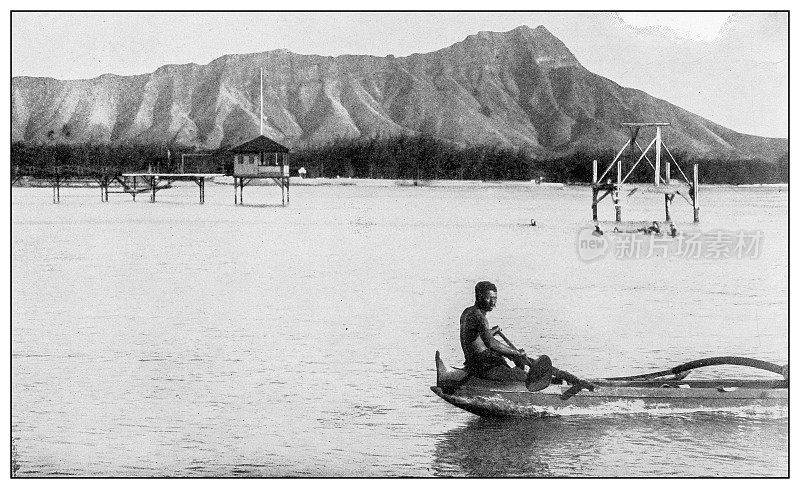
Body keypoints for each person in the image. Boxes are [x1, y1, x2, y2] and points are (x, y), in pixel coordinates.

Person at [460, 282, 529, 382]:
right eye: (489, 298)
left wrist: (492, 331)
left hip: (474, 362)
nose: (493, 302)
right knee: (524, 376)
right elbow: (491, 344)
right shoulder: (480, 317)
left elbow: (476, 336)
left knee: (514, 358)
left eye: (494, 298)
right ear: (479, 297)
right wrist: (516, 352)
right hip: (483, 366)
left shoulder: (467, 311)